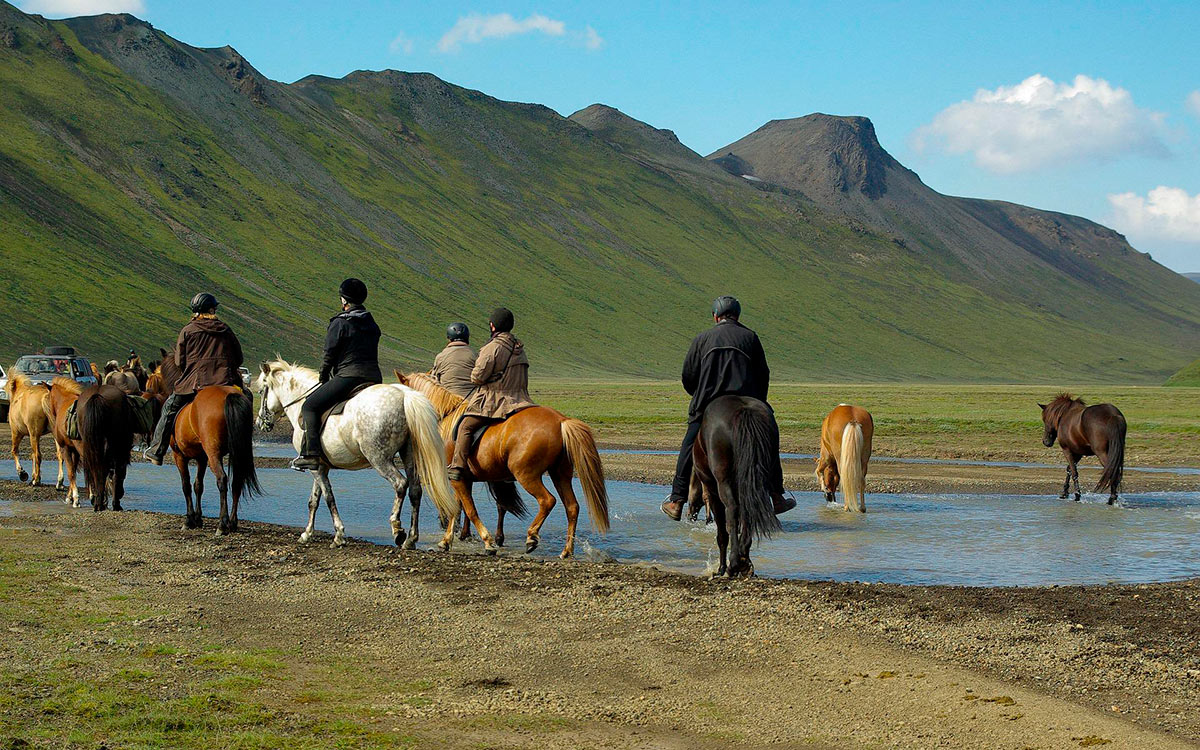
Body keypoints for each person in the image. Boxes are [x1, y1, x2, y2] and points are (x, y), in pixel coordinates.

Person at [660, 296, 795, 520]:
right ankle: (776, 495)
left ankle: (677, 500)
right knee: (770, 437)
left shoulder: (702, 338)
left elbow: (688, 376)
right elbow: (763, 374)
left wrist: (699, 395)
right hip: (748, 400)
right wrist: (758, 403)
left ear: (715, 316)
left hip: (708, 402)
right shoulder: (750, 337)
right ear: (738, 316)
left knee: (689, 444)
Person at [290, 278, 382, 471]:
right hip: (374, 378)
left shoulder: (340, 322)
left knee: (309, 406)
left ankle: (311, 455)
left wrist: (323, 375)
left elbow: (329, 354)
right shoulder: (372, 323)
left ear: (344, 300)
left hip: (349, 377)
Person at [145, 293, 244, 465]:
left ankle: (157, 450)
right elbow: (239, 358)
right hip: (224, 382)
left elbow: (179, 361)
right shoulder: (225, 329)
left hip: (194, 383)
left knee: (169, 407)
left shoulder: (187, 330)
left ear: (195, 311)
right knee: (245, 401)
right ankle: (245, 446)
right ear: (212, 309)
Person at [446, 307, 533, 481]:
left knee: (465, 426)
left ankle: (458, 467)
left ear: (493, 326)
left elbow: (477, 376)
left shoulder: (493, 347)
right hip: (522, 401)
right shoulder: (519, 347)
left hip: (497, 401)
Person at [431, 322, 477, 398]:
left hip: (448, 403)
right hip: (472, 404)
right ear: (467, 337)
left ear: (449, 338)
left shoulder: (441, 357)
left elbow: (434, 380)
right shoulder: (475, 356)